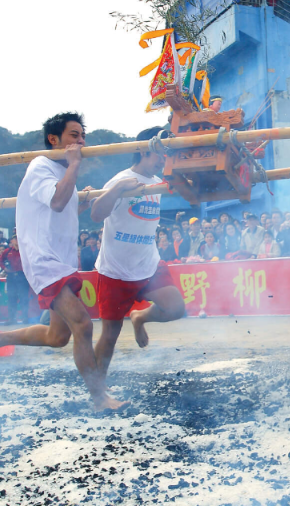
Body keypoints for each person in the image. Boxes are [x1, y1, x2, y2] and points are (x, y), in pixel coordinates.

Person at [0, 112, 125, 411]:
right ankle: (99, 398)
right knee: (83, 325)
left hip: (63, 261)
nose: (81, 141)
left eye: (83, 136)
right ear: (54, 139)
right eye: (74, 135)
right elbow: (57, 201)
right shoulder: (40, 166)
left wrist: (79, 200)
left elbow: (62, 211)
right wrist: (73, 166)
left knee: (57, 336)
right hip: (43, 260)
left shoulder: (63, 174)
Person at [89, 127, 187, 388]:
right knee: (109, 334)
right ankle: (97, 390)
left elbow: (187, 186)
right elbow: (97, 214)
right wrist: (119, 188)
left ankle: (140, 317)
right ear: (144, 151)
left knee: (176, 308)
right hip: (116, 270)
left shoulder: (157, 181)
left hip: (149, 263)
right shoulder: (120, 179)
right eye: (159, 153)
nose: (163, 159)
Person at [0, 235, 29, 324]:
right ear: (12, 241)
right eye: (15, 239)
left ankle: (25, 318)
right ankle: (12, 319)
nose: (17, 241)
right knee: (11, 297)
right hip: (11, 276)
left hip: (22, 276)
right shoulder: (8, 251)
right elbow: (0, 261)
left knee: (23, 298)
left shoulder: (24, 250)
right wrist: (5, 268)